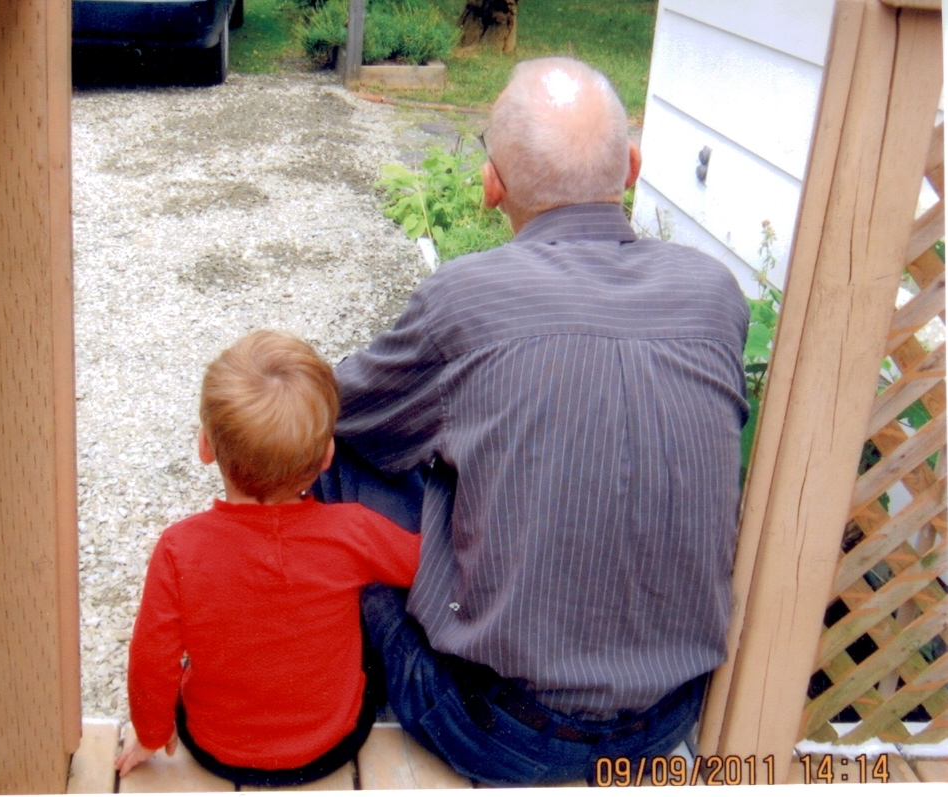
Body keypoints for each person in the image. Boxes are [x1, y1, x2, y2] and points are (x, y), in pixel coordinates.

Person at [316, 57, 749, 784]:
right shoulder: (712, 292)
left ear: (492, 186)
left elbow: (331, 410)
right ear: (632, 167)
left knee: (325, 456)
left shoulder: (466, 297)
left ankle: (306, 673)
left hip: (499, 731)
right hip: (666, 721)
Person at [116, 330, 420, 785]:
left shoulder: (180, 548)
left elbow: (150, 659)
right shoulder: (353, 530)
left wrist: (150, 731)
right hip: (332, 742)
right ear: (326, 457)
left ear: (205, 447)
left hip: (218, 747)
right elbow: (419, 565)